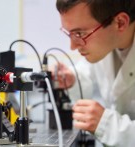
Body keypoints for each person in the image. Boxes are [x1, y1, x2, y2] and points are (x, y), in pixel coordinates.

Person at [55, 0, 135, 146]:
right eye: (70, 33)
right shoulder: (104, 46)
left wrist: (106, 125)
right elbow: (86, 74)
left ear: (120, 23)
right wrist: (72, 80)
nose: (72, 46)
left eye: (80, 33)